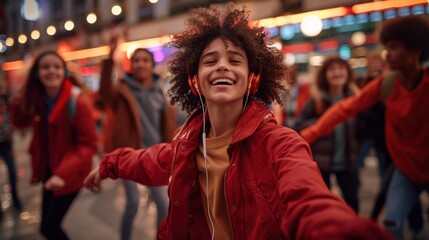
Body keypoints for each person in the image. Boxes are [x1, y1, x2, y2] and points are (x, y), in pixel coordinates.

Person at [84, 5, 392, 239]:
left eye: (234, 60)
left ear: (252, 79)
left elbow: (307, 197)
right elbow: (150, 160)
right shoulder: (187, 143)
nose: (222, 66)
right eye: (210, 60)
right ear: (194, 81)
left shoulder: (280, 144)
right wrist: (109, 164)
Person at [300, 15, 429, 240]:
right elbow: (346, 109)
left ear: (415, 50)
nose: (387, 54)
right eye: (386, 47)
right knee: (392, 223)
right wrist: (307, 135)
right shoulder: (386, 84)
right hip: (405, 168)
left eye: (394, 47)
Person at [10, 51, 98, 240]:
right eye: (45, 67)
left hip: (69, 174)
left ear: (64, 72)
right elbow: (19, 122)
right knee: (47, 227)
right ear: (36, 73)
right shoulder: (38, 99)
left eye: (57, 67)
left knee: (49, 228)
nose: (51, 71)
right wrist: (20, 94)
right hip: (50, 172)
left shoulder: (77, 102)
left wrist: (62, 174)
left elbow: (89, 144)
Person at [97, 36, 177, 240]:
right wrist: (109, 57)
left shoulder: (161, 93)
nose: (141, 64)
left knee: (163, 203)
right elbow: (104, 91)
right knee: (132, 202)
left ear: (152, 65)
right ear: (132, 65)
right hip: (128, 154)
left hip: (155, 156)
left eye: (145, 60)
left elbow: (169, 126)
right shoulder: (122, 91)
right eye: (137, 61)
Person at [295, 56, 360, 212]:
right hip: (321, 162)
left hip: (348, 162)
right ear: (325, 75)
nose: (337, 73)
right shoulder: (317, 100)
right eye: (332, 69)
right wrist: (322, 122)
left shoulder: (356, 100)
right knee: (324, 205)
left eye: (341, 68)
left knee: (352, 203)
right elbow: (298, 126)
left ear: (348, 73)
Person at [0, 76, 22, 218]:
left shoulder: (6, 100)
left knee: (13, 172)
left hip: (5, 143)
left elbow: (11, 121)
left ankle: (15, 199)